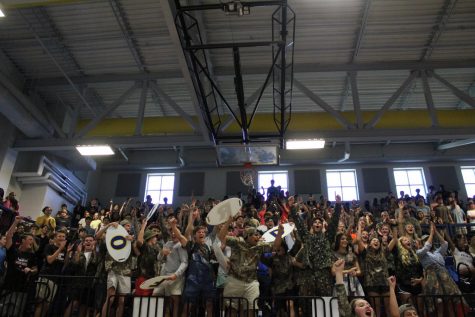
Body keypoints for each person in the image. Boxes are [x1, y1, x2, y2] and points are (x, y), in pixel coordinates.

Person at [416, 223, 466, 317]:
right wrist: (431, 233)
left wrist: (436, 232)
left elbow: (445, 244)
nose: (428, 241)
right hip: (433, 279)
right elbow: (427, 246)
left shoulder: (437, 252)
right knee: (439, 303)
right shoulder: (420, 253)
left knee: (450, 303)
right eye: (425, 240)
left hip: (445, 278)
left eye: (429, 239)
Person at [333, 258, 401, 317]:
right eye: (361, 305)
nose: (368, 306)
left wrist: (392, 288)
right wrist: (339, 273)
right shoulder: (348, 314)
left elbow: (395, 316)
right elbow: (342, 301)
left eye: (369, 305)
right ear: (352, 313)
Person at [0, 217, 38, 317]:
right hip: (8, 287)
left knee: (16, 313)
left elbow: (35, 269)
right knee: (3, 312)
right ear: (23, 240)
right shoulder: (13, 251)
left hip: (22, 290)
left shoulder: (32, 255)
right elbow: (9, 236)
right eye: (30, 239)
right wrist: (16, 222)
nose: (32, 242)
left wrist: (31, 270)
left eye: (33, 240)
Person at [153, 218, 188, 317]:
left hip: (176, 277)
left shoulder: (181, 245)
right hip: (165, 276)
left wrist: (176, 275)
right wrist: (161, 253)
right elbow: (159, 258)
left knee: (175, 301)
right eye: (171, 232)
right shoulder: (167, 243)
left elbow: (185, 262)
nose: (173, 234)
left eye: (175, 232)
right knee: (160, 297)